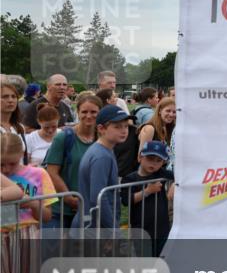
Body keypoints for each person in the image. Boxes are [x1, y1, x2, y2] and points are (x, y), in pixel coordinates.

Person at [42, 93, 102, 228]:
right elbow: (52, 172)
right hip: (59, 209)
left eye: (93, 112)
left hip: (88, 208)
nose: (89, 115)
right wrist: (69, 197)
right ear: (77, 112)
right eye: (84, 111)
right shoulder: (63, 137)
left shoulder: (103, 140)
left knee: (80, 249)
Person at [72, 105, 132, 230]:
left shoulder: (104, 150)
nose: (124, 130)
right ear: (101, 129)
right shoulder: (101, 156)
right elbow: (98, 197)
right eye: (117, 126)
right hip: (94, 229)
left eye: (126, 126)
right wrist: (113, 229)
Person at [123, 141, 174, 256]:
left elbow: (179, 176)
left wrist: (175, 184)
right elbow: (126, 200)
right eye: (150, 158)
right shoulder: (130, 178)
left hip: (162, 230)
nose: (153, 164)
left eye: (158, 161)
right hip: (141, 231)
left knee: (162, 260)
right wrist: (147, 191)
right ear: (141, 157)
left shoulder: (162, 174)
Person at [1, 133, 56, 226]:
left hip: (28, 233)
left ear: (22, 154)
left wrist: (34, 205)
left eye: (12, 164)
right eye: (1, 164)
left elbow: (48, 216)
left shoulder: (39, 174)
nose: (6, 169)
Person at [137, 98, 176, 171]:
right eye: (168, 111)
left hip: (161, 172)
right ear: (160, 110)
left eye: (174, 112)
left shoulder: (169, 129)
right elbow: (141, 158)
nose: (171, 114)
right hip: (149, 175)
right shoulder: (150, 129)